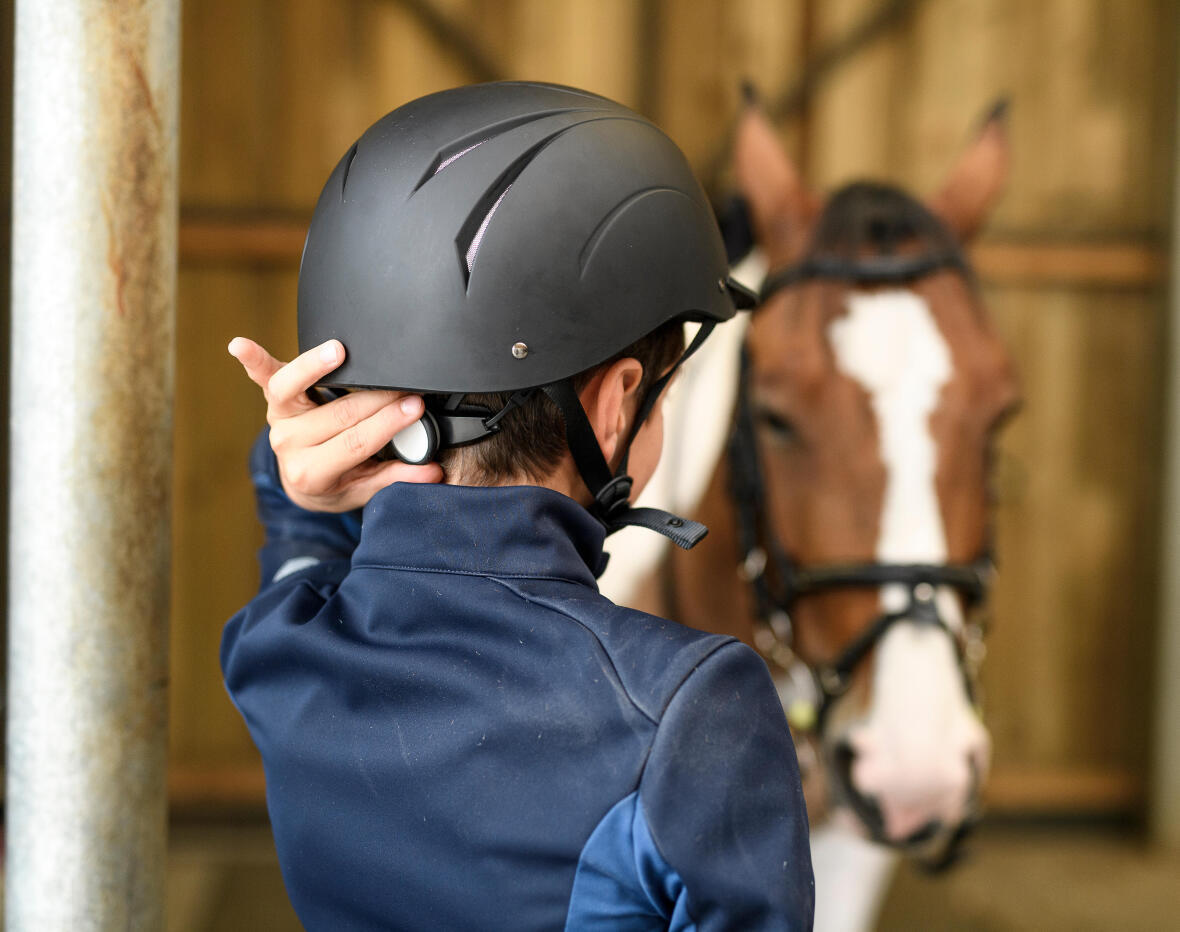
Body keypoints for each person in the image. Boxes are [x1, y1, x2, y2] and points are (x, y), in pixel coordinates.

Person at [223, 82, 813, 931]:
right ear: (618, 403)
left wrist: (307, 479)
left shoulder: (282, 653)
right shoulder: (688, 710)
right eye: (666, 395)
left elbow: (298, 528)